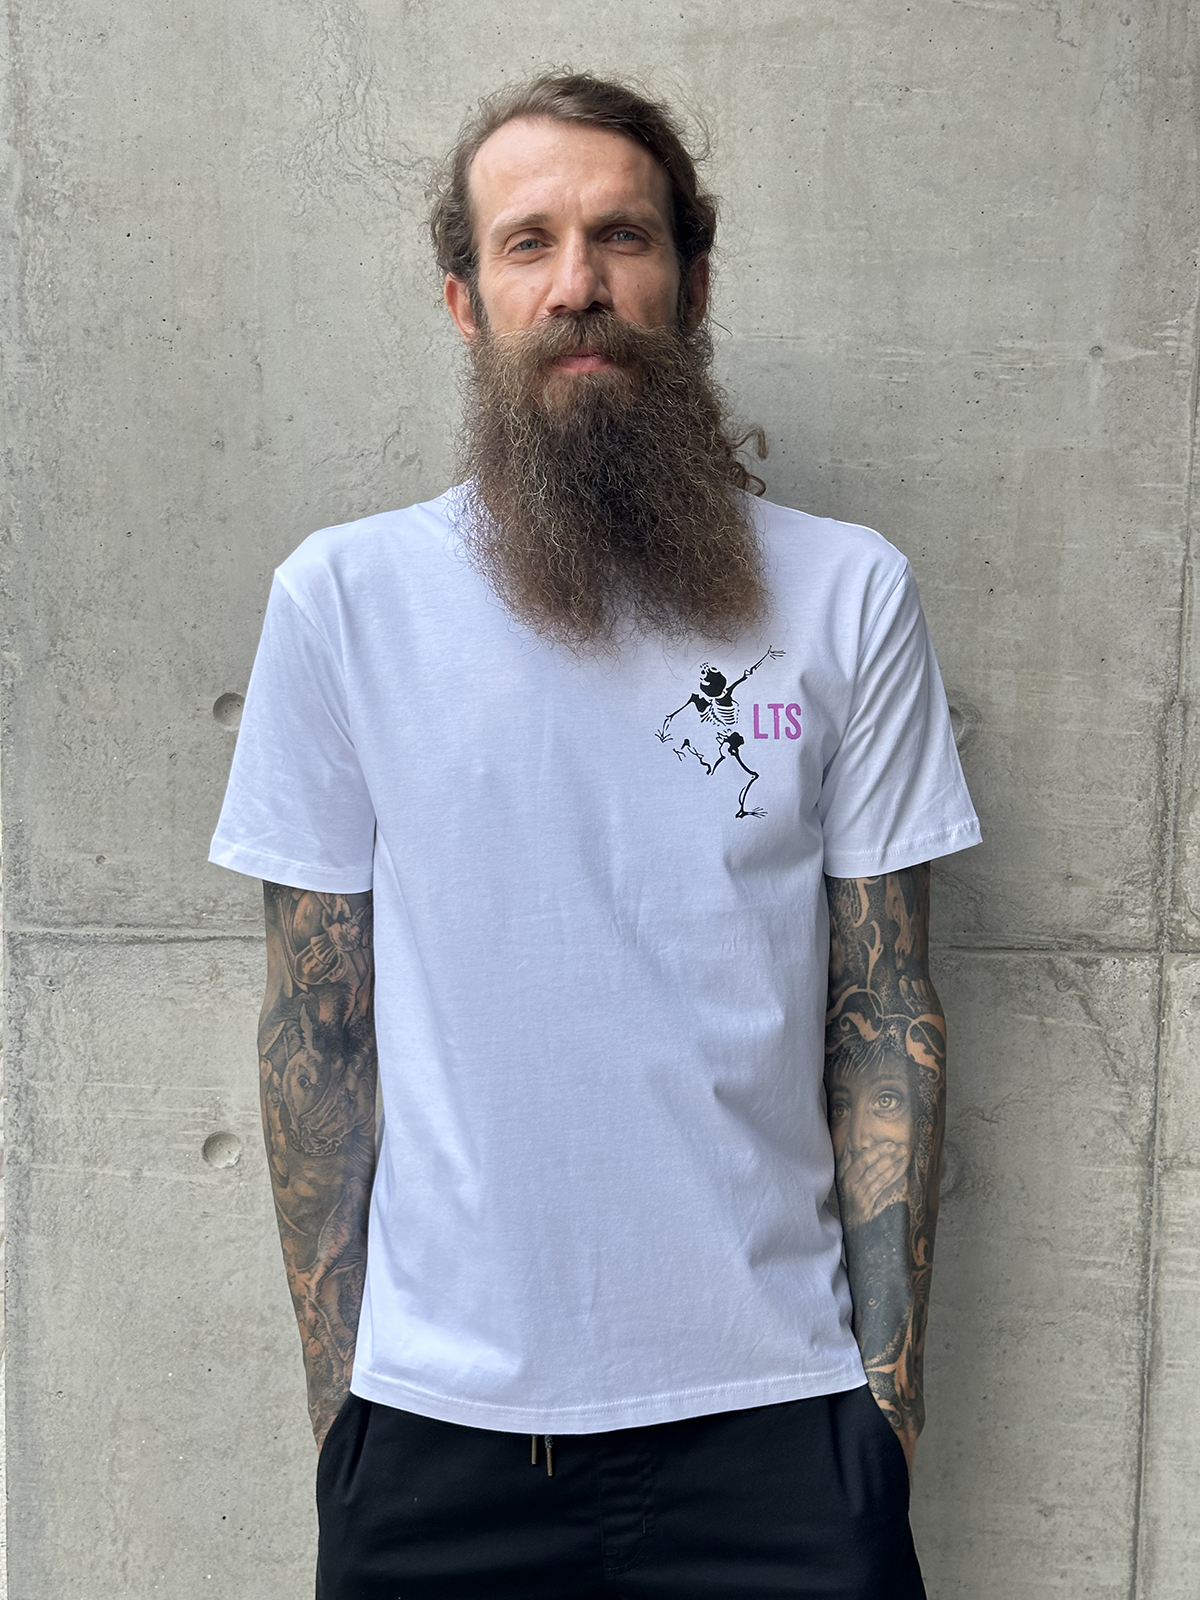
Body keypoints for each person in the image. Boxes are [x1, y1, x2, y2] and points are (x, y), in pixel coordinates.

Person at [209, 70, 980, 1600]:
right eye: (530, 243)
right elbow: (317, 1035)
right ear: (464, 301)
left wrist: (879, 1422)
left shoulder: (846, 593)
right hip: (437, 1446)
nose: (579, 286)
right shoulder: (345, 603)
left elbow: (888, 1014)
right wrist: (345, 1418)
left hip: (781, 1430)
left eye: (623, 237)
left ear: (692, 283)